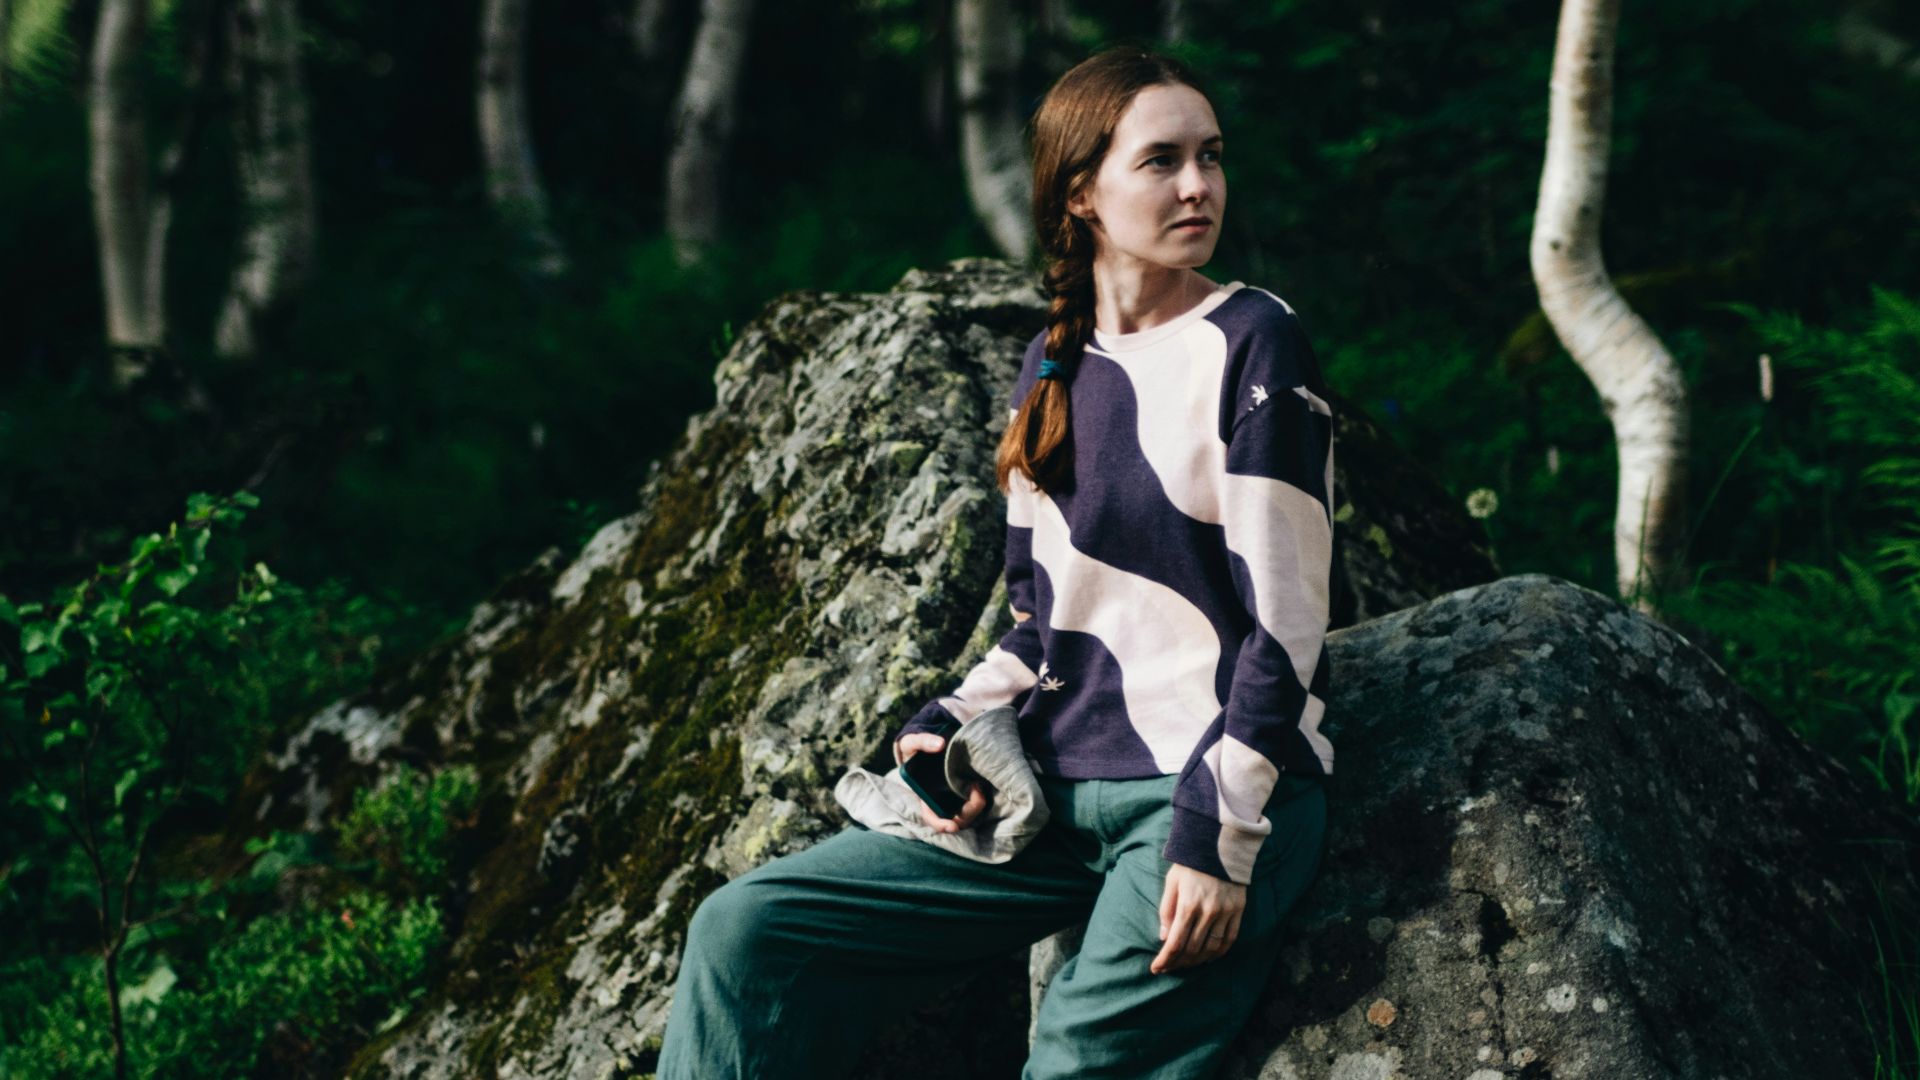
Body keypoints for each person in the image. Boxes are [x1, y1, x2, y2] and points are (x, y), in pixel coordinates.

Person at [656, 45, 1335, 1080]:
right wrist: (941, 728)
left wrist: (1220, 833)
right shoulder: (1053, 362)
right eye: (1161, 161)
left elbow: (1285, 624)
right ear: (1083, 193)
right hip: (1054, 799)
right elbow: (1040, 617)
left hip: (1205, 793)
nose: (1198, 185)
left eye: (1212, 156)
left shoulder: (1253, 340)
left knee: (1068, 1062)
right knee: (746, 932)